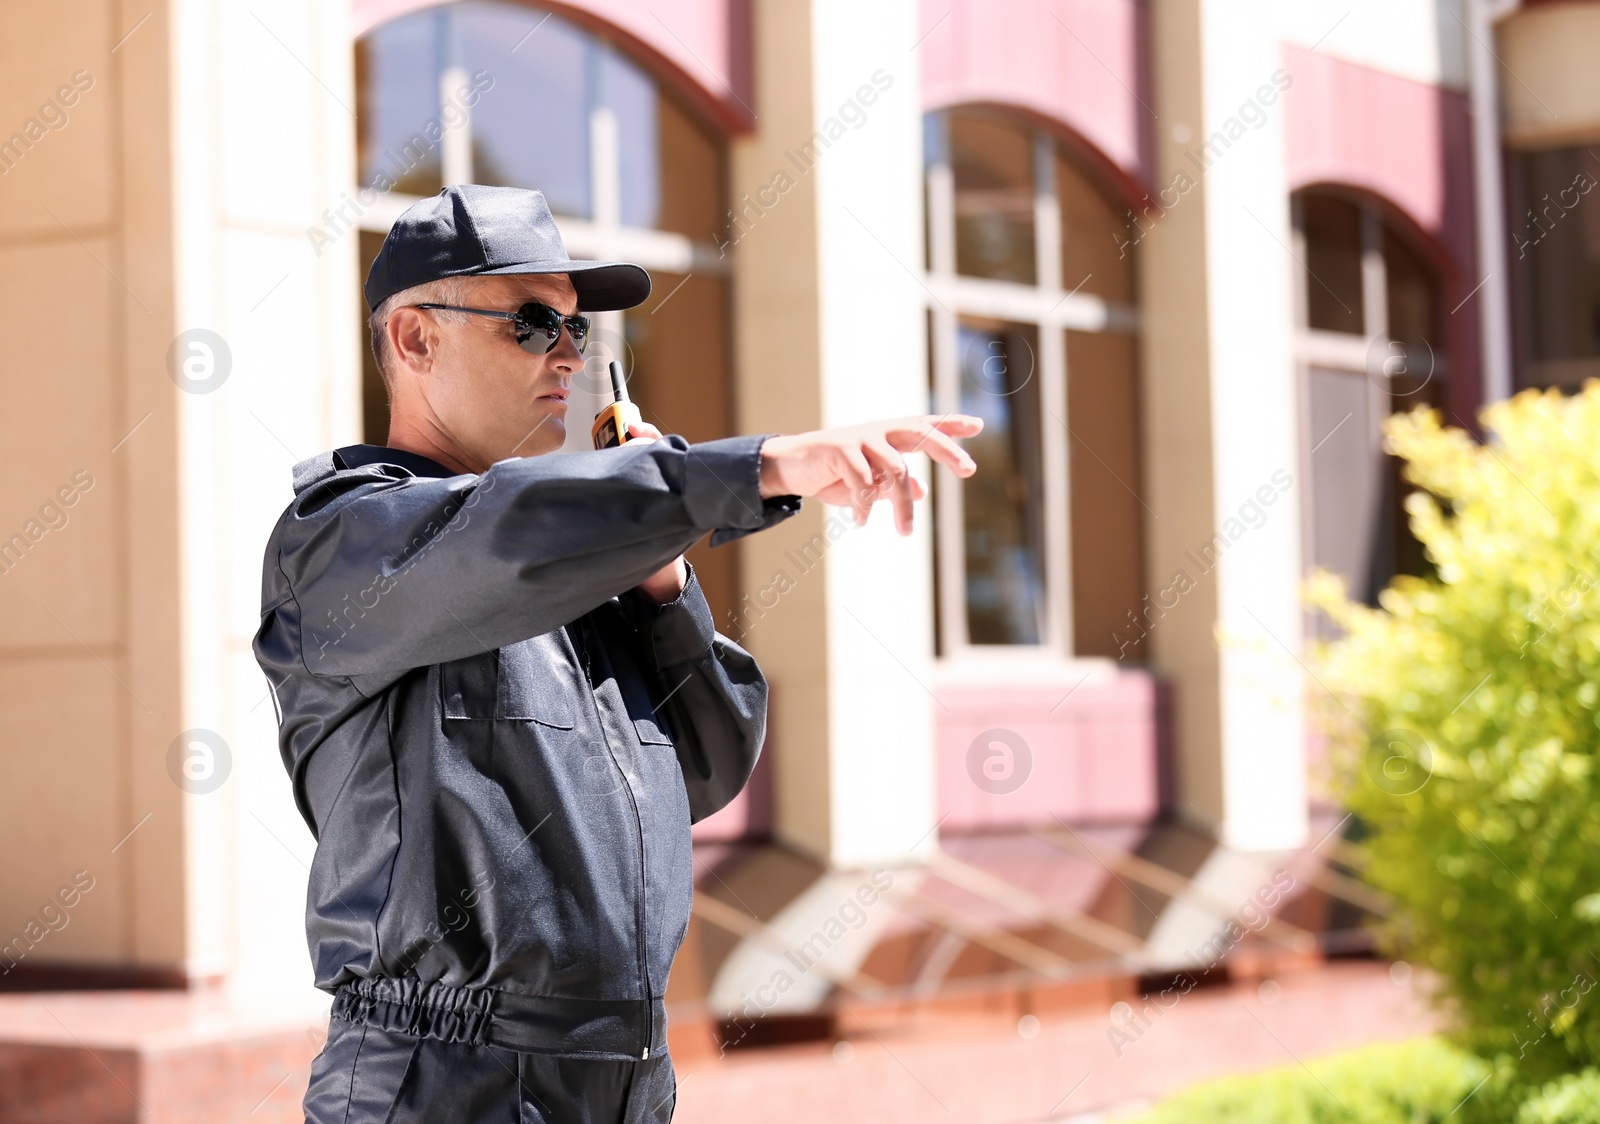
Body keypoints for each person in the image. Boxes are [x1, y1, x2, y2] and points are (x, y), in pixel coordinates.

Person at [253, 184, 980, 1123]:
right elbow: (496, 539)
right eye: (530, 322)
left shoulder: (587, 573)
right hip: (445, 1082)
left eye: (575, 330)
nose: (566, 351)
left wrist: (664, 581)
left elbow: (711, 766)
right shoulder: (345, 540)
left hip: (625, 1079)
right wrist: (742, 469)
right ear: (415, 341)